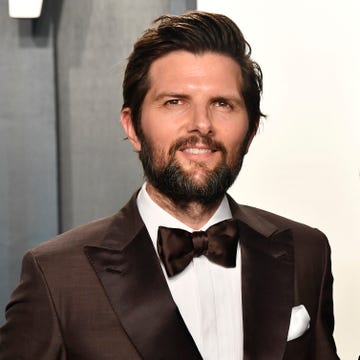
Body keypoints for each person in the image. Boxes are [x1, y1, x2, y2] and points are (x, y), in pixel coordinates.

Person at [0, 11, 339, 360]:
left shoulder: (307, 251)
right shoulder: (57, 275)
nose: (201, 125)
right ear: (133, 127)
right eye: (175, 102)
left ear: (251, 132)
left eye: (223, 104)